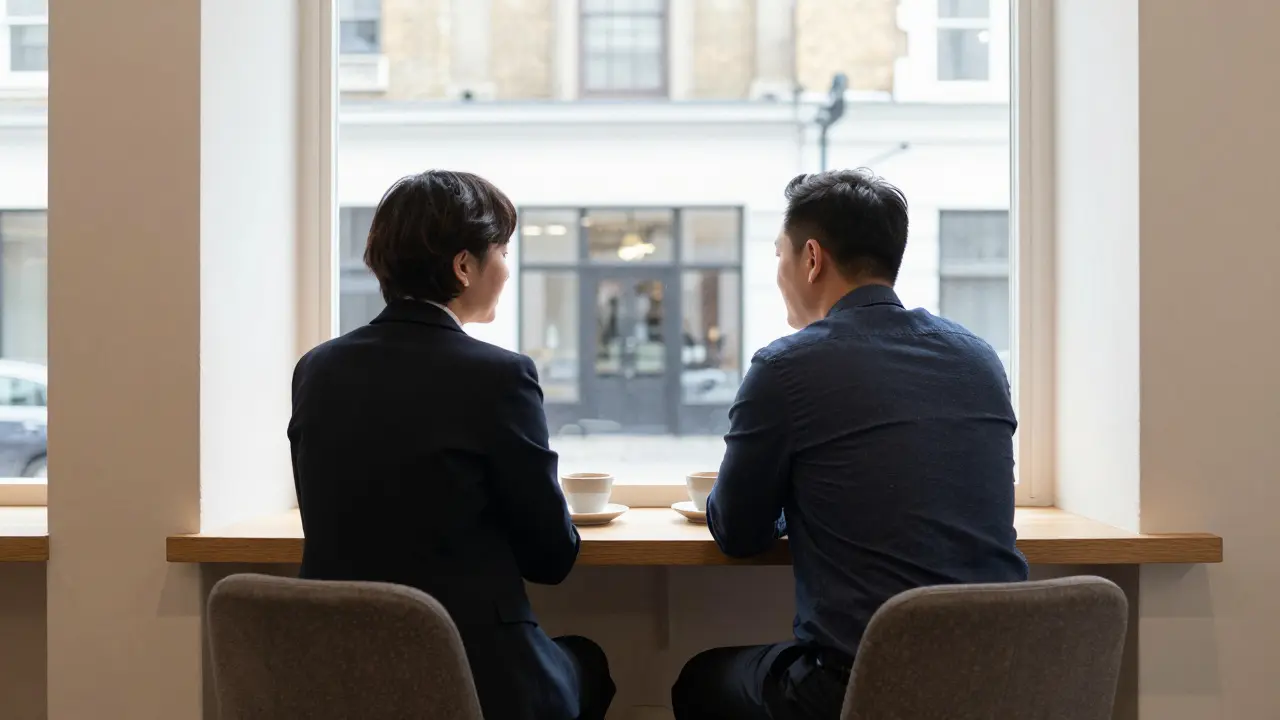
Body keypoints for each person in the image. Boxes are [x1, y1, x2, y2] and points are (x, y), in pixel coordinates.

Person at [671, 169, 1029, 720]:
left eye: (779, 255)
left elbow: (739, 533)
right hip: (1001, 681)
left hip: (859, 688)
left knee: (699, 681)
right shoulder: (980, 358)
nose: (779, 273)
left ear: (811, 258)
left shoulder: (786, 367)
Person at [289, 170, 615, 720]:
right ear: (464, 266)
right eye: (503, 251)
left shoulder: (316, 369)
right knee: (589, 663)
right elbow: (551, 557)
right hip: (473, 680)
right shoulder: (498, 376)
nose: (507, 270)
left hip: (341, 678)